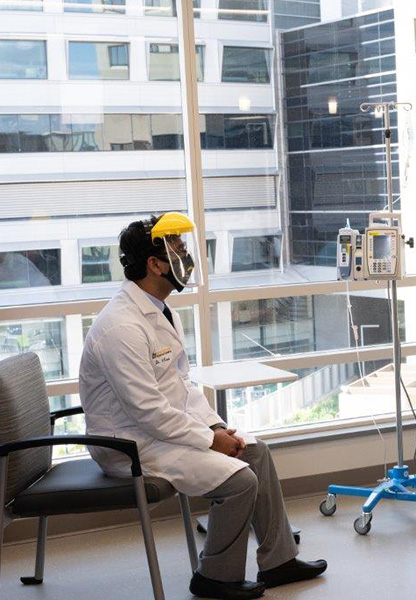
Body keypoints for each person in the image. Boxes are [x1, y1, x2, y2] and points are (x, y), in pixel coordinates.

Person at [79, 213, 326, 600]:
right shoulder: (120, 327)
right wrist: (209, 443)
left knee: (255, 451)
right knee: (239, 480)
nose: (186, 257)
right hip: (129, 444)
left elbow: (181, 385)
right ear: (154, 264)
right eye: (177, 250)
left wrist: (214, 428)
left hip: (159, 431)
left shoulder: (161, 310)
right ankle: (214, 577)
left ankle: (278, 560)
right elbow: (147, 409)